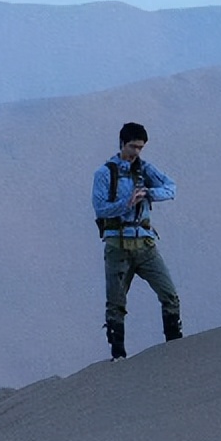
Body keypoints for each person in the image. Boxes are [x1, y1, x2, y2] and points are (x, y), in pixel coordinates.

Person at [92, 122, 183, 360]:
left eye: (140, 148)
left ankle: (176, 349)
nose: (136, 152)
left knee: (169, 295)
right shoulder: (104, 173)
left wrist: (149, 193)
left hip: (145, 244)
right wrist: (126, 204)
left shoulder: (144, 169)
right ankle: (118, 358)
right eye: (133, 146)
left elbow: (171, 187)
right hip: (117, 245)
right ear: (122, 143)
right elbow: (100, 208)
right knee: (116, 304)